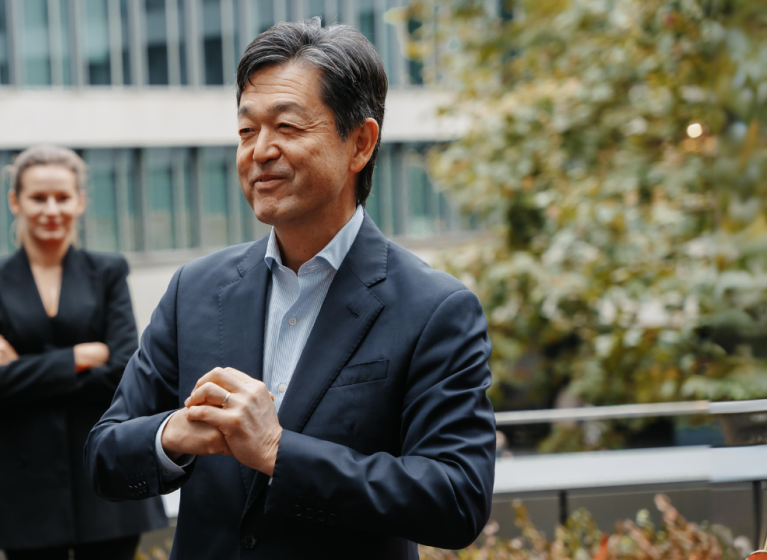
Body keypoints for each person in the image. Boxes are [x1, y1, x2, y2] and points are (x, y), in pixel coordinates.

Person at [85, 19, 495, 560]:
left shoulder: (435, 307)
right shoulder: (195, 289)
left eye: (287, 126)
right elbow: (105, 455)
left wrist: (279, 451)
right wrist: (172, 434)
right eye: (246, 131)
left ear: (360, 144)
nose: (260, 151)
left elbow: (456, 500)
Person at [0, 146, 167, 560]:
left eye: (62, 197)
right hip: (24, 486)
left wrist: (25, 371)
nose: (51, 209)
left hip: (106, 477)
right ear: (15, 201)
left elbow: (122, 370)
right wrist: (77, 357)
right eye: (38, 198)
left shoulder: (108, 271)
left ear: (80, 201)